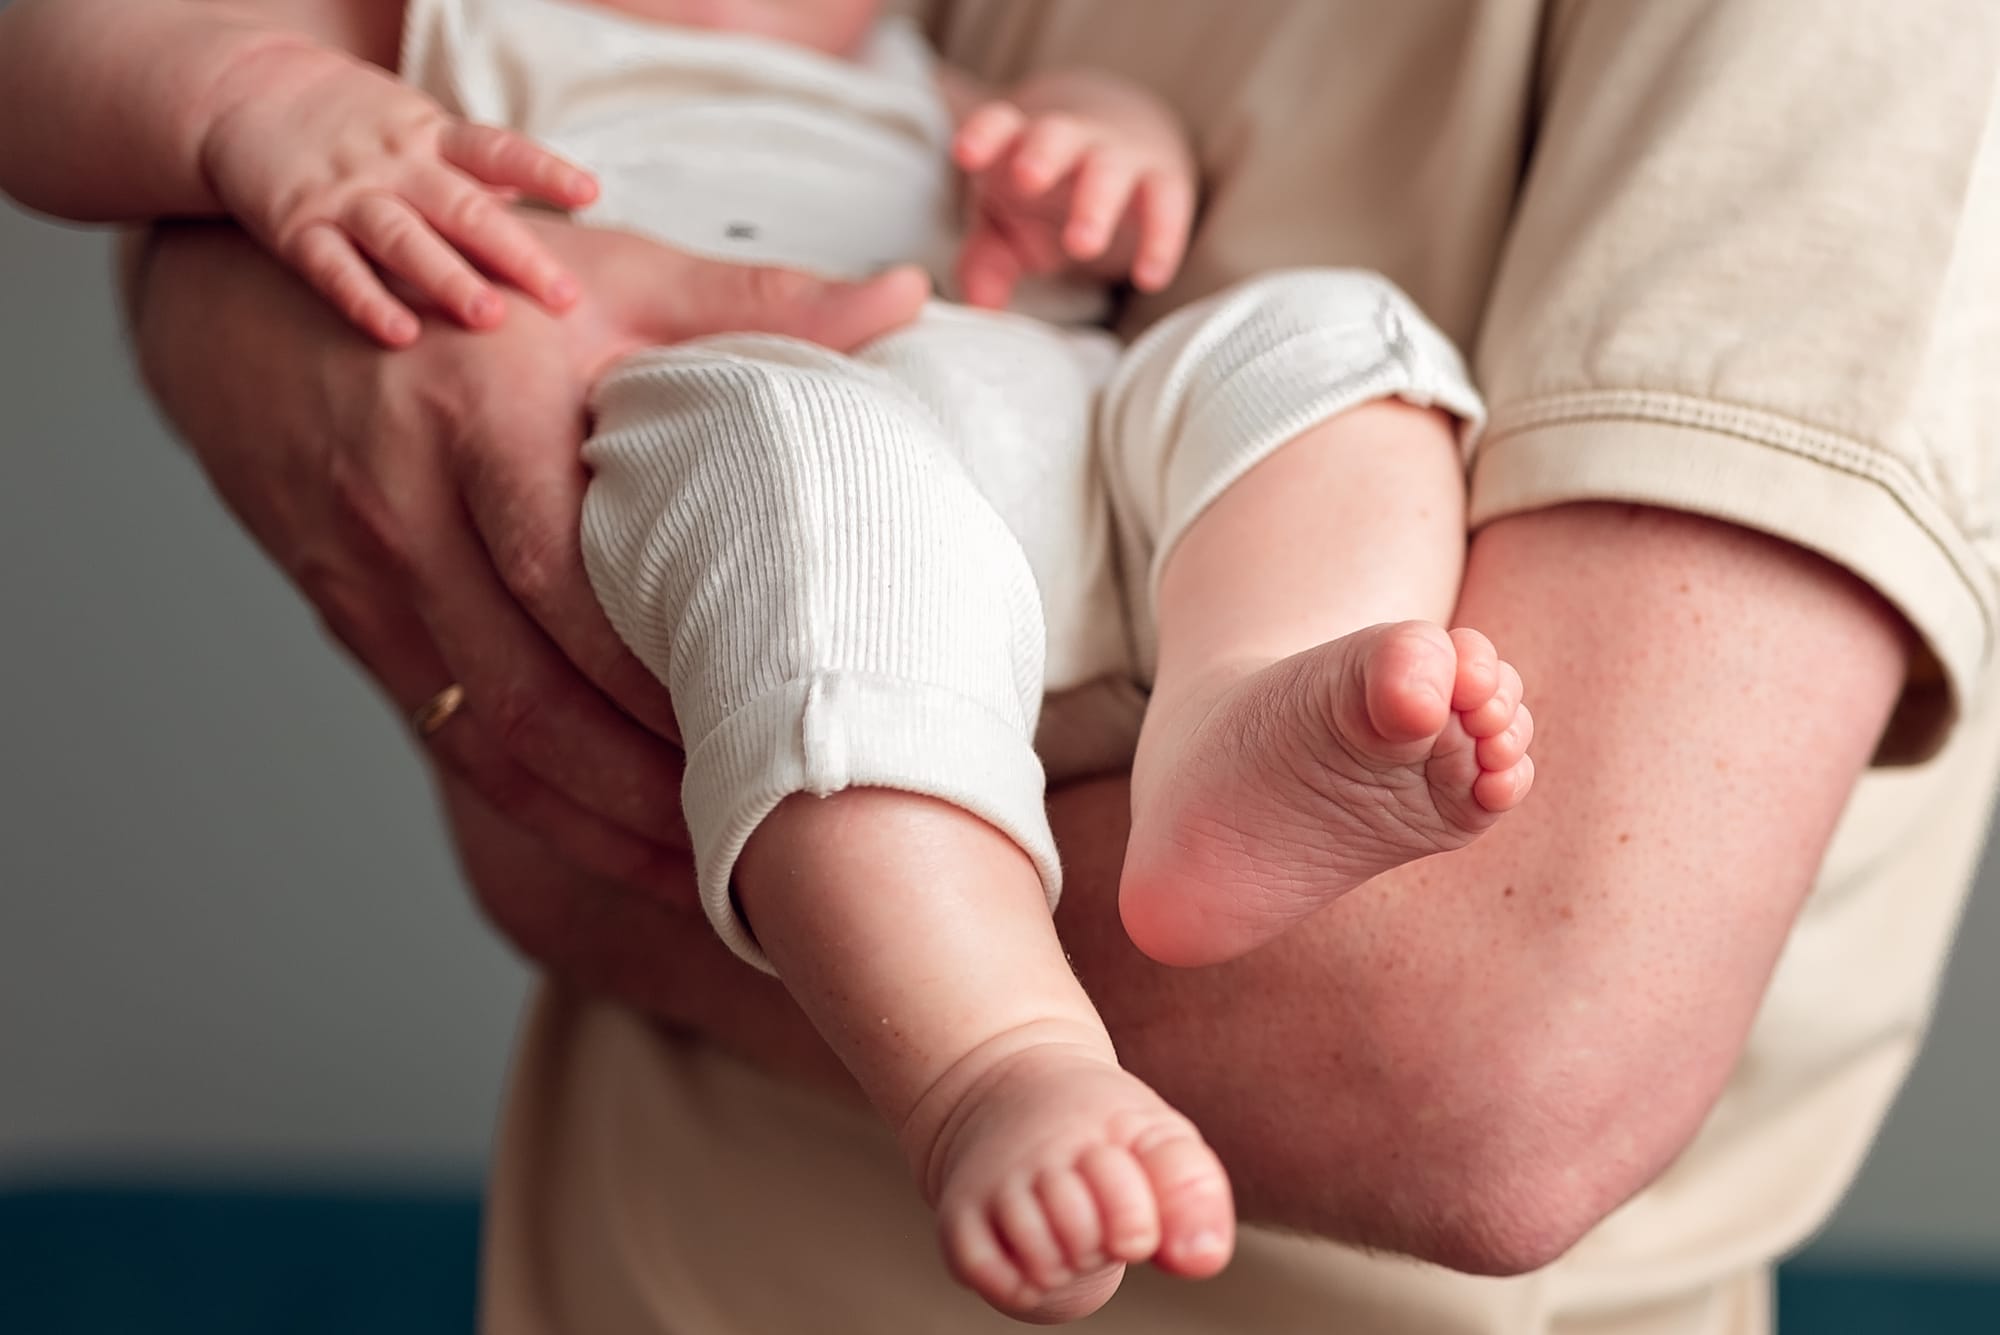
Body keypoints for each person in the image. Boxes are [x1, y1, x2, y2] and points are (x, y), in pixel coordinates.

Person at [61, 0, 2000, 1331]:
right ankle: (993, 1051)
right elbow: (76, 70)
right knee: (806, 489)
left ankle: (1252, 713)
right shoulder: (445, 51)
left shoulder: (892, 59)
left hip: (1044, 426)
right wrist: (251, 141)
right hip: (752, 434)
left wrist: (1090, 152)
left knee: (1327, 344)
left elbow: (1499, 1077)